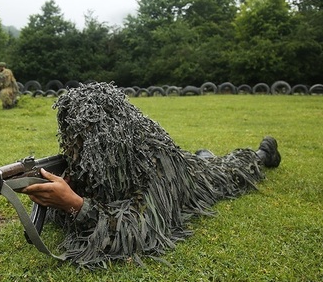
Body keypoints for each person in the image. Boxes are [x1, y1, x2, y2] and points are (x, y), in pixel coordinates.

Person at [21, 82, 281, 269]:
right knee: (206, 160)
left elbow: (139, 230)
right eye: (69, 136)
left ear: (108, 133)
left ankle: (261, 154)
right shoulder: (100, 156)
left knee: (229, 172)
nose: (71, 147)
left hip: (192, 178)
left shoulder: (153, 159)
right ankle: (205, 156)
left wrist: (75, 204)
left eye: (82, 138)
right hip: (184, 165)